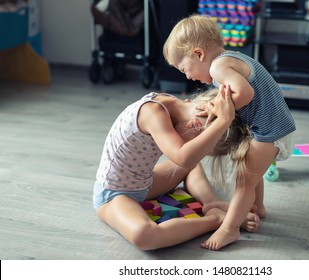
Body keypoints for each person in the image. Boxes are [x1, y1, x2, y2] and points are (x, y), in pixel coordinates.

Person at [163, 14, 296, 250]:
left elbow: (245, 94)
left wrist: (219, 110)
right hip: (273, 127)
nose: (187, 76)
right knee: (251, 172)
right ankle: (258, 207)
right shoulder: (230, 59)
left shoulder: (218, 67)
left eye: (185, 68)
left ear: (198, 54)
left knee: (243, 180)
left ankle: (229, 229)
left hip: (270, 130)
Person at [93, 86, 259, 250]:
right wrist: (224, 120)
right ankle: (216, 219)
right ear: (192, 126)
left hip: (144, 183)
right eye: (204, 150)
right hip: (114, 193)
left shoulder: (177, 105)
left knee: (192, 165)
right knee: (144, 236)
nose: (200, 153)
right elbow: (185, 158)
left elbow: (189, 161)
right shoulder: (152, 113)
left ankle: (211, 203)